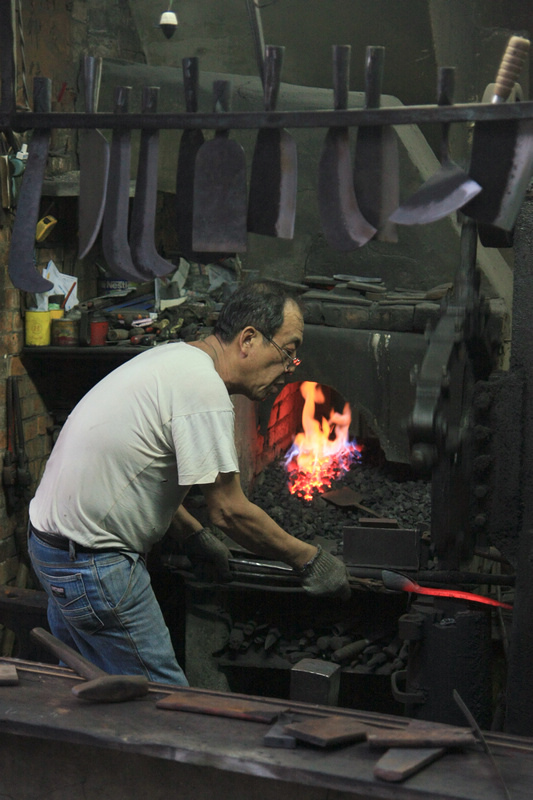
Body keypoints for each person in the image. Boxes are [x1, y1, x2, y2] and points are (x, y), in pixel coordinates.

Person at [28, 280, 351, 686]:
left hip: (52, 548)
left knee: (86, 691)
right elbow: (229, 510)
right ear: (248, 339)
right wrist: (309, 560)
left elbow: (141, 472)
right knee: (166, 705)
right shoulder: (204, 390)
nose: (291, 366)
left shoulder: (176, 360)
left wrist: (193, 536)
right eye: (288, 350)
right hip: (93, 564)